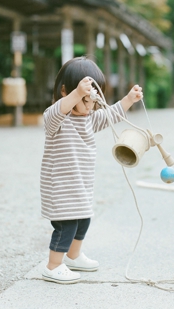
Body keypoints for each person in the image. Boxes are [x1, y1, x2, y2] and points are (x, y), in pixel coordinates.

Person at [40, 56, 143, 284]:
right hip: (61, 188)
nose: (90, 107)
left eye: (94, 103)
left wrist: (128, 99)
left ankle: (73, 256)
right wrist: (77, 94)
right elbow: (58, 111)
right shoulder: (56, 118)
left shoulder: (87, 119)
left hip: (80, 187)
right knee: (66, 226)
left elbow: (110, 115)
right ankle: (53, 265)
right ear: (66, 91)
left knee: (83, 220)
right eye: (86, 101)